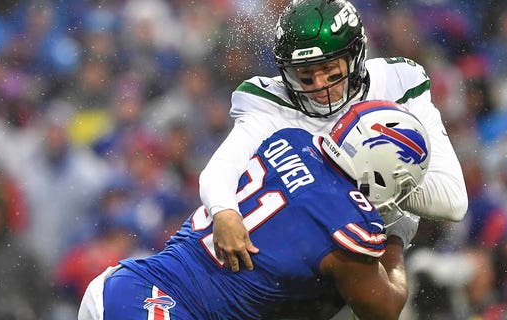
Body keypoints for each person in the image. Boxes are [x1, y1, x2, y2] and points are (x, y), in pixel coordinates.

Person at [79, 101, 429, 320]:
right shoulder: (348, 226)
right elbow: (385, 308)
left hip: (126, 284)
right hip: (166, 307)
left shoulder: (292, 139)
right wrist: (397, 236)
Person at [199, 0, 468, 274]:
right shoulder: (271, 103)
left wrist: (360, 176)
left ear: (355, 57)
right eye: (305, 76)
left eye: (330, 71)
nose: (319, 86)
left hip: (380, 244)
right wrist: (224, 210)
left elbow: (453, 201)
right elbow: (221, 168)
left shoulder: (399, 82)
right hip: (302, 252)